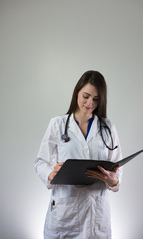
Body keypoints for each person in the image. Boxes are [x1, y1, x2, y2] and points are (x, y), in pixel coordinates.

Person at [34, 70, 123, 239]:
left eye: (96, 99)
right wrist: (50, 173)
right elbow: (40, 161)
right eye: (86, 96)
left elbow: (117, 164)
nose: (90, 103)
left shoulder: (108, 127)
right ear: (77, 92)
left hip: (96, 212)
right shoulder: (57, 124)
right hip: (65, 212)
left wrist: (114, 180)